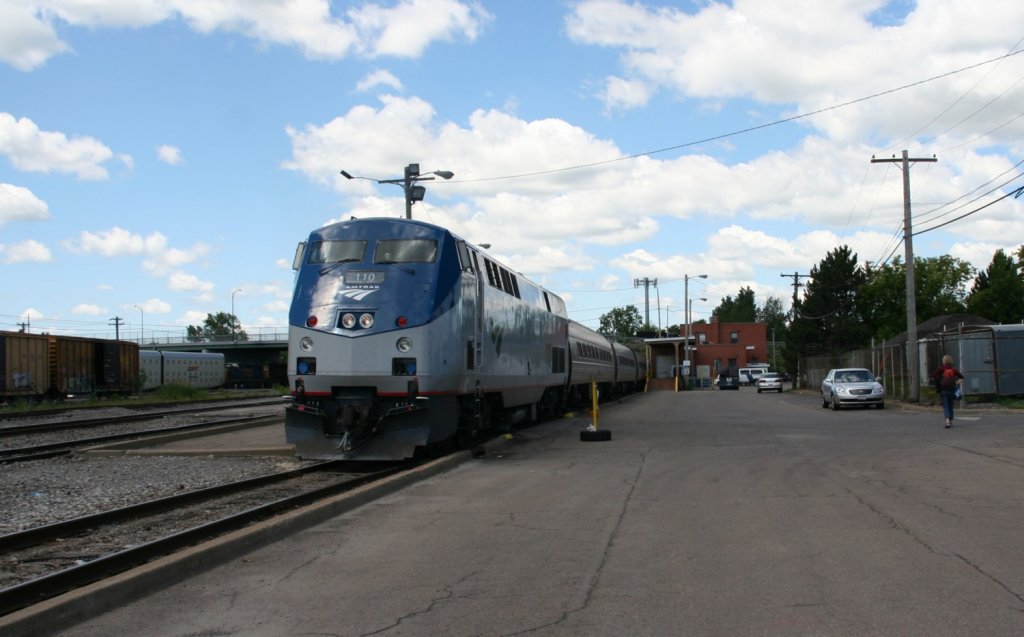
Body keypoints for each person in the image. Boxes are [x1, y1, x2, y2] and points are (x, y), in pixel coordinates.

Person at [931, 354, 964, 429]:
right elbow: (961, 377)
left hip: (943, 390)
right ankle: (951, 421)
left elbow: (934, 377)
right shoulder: (953, 370)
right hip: (952, 390)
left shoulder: (941, 369)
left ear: (944, 361)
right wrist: (956, 382)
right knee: (951, 405)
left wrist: (939, 383)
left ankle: (947, 421)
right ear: (951, 361)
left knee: (946, 406)